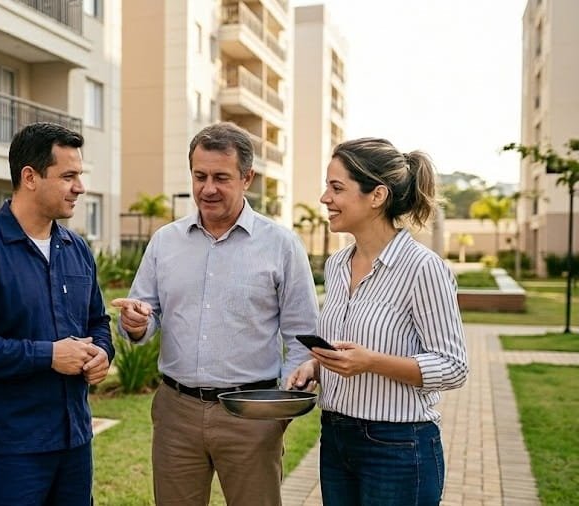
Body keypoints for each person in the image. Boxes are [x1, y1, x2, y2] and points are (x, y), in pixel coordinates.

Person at [112, 122, 319, 505]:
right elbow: (144, 313)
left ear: (247, 178)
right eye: (200, 176)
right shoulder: (165, 241)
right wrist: (136, 323)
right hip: (176, 412)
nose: (208, 188)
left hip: (252, 414)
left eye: (221, 177)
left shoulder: (282, 245)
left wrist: (281, 412)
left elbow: (302, 336)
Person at [287, 138, 469, 505]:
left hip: (398, 448)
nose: (325, 198)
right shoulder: (337, 266)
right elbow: (346, 346)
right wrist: (316, 366)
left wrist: (372, 363)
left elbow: (453, 367)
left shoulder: (422, 268)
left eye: (336, 187)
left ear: (377, 196)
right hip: (336, 438)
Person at [0, 122, 113, 506]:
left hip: (74, 442)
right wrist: (49, 355)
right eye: (68, 176)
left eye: (79, 176)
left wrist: (103, 353)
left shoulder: (76, 249)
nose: (80, 188)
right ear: (30, 177)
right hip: (12, 450)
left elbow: (98, 321)